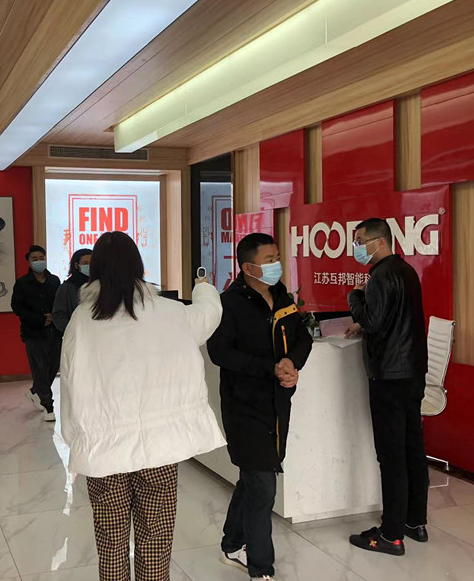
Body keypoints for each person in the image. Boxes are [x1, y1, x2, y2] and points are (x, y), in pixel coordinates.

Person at [60, 231, 226, 581]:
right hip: (159, 449)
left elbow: (69, 381)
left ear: (95, 269)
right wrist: (203, 287)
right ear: (139, 265)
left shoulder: (82, 320)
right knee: (156, 539)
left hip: (103, 452)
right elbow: (209, 315)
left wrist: (75, 437)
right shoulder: (170, 313)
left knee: (111, 542)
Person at [207, 233, 312, 581]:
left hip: (277, 404)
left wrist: (291, 362)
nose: (276, 265)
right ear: (248, 267)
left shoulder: (282, 297)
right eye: (269, 260)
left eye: (277, 257)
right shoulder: (229, 303)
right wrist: (269, 368)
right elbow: (220, 353)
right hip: (243, 405)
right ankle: (261, 568)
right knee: (264, 487)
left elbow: (302, 337)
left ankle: (231, 544)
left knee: (254, 478)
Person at [345, 218, 429, 556]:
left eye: (360, 240)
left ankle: (391, 535)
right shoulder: (406, 271)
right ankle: (414, 521)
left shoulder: (379, 276)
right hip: (412, 373)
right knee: (412, 450)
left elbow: (372, 321)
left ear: (380, 241)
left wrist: (354, 297)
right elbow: (394, 319)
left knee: (392, 457)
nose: (357, 246)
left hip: (389, 377)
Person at [11, 245, 61, 422]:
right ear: (29, 262)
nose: (39, 261)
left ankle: (35, 391)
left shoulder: (54, 280)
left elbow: (59, 302)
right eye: (35, 259)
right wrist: (40, 319)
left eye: (42, 258)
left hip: (54, 330)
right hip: (33, 332)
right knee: (39, 369)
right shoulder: (22, 283)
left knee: (53, 367)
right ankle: (48, 406)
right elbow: (17, 307)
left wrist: (53, 317)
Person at [52, 248, 92, 333]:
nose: (90, 266)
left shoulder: (101, 284)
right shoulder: (66, 288)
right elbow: (58, 315)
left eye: (92, 263)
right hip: (76, 335)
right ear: (76, 265)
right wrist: (73, 331)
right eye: (85, 263)